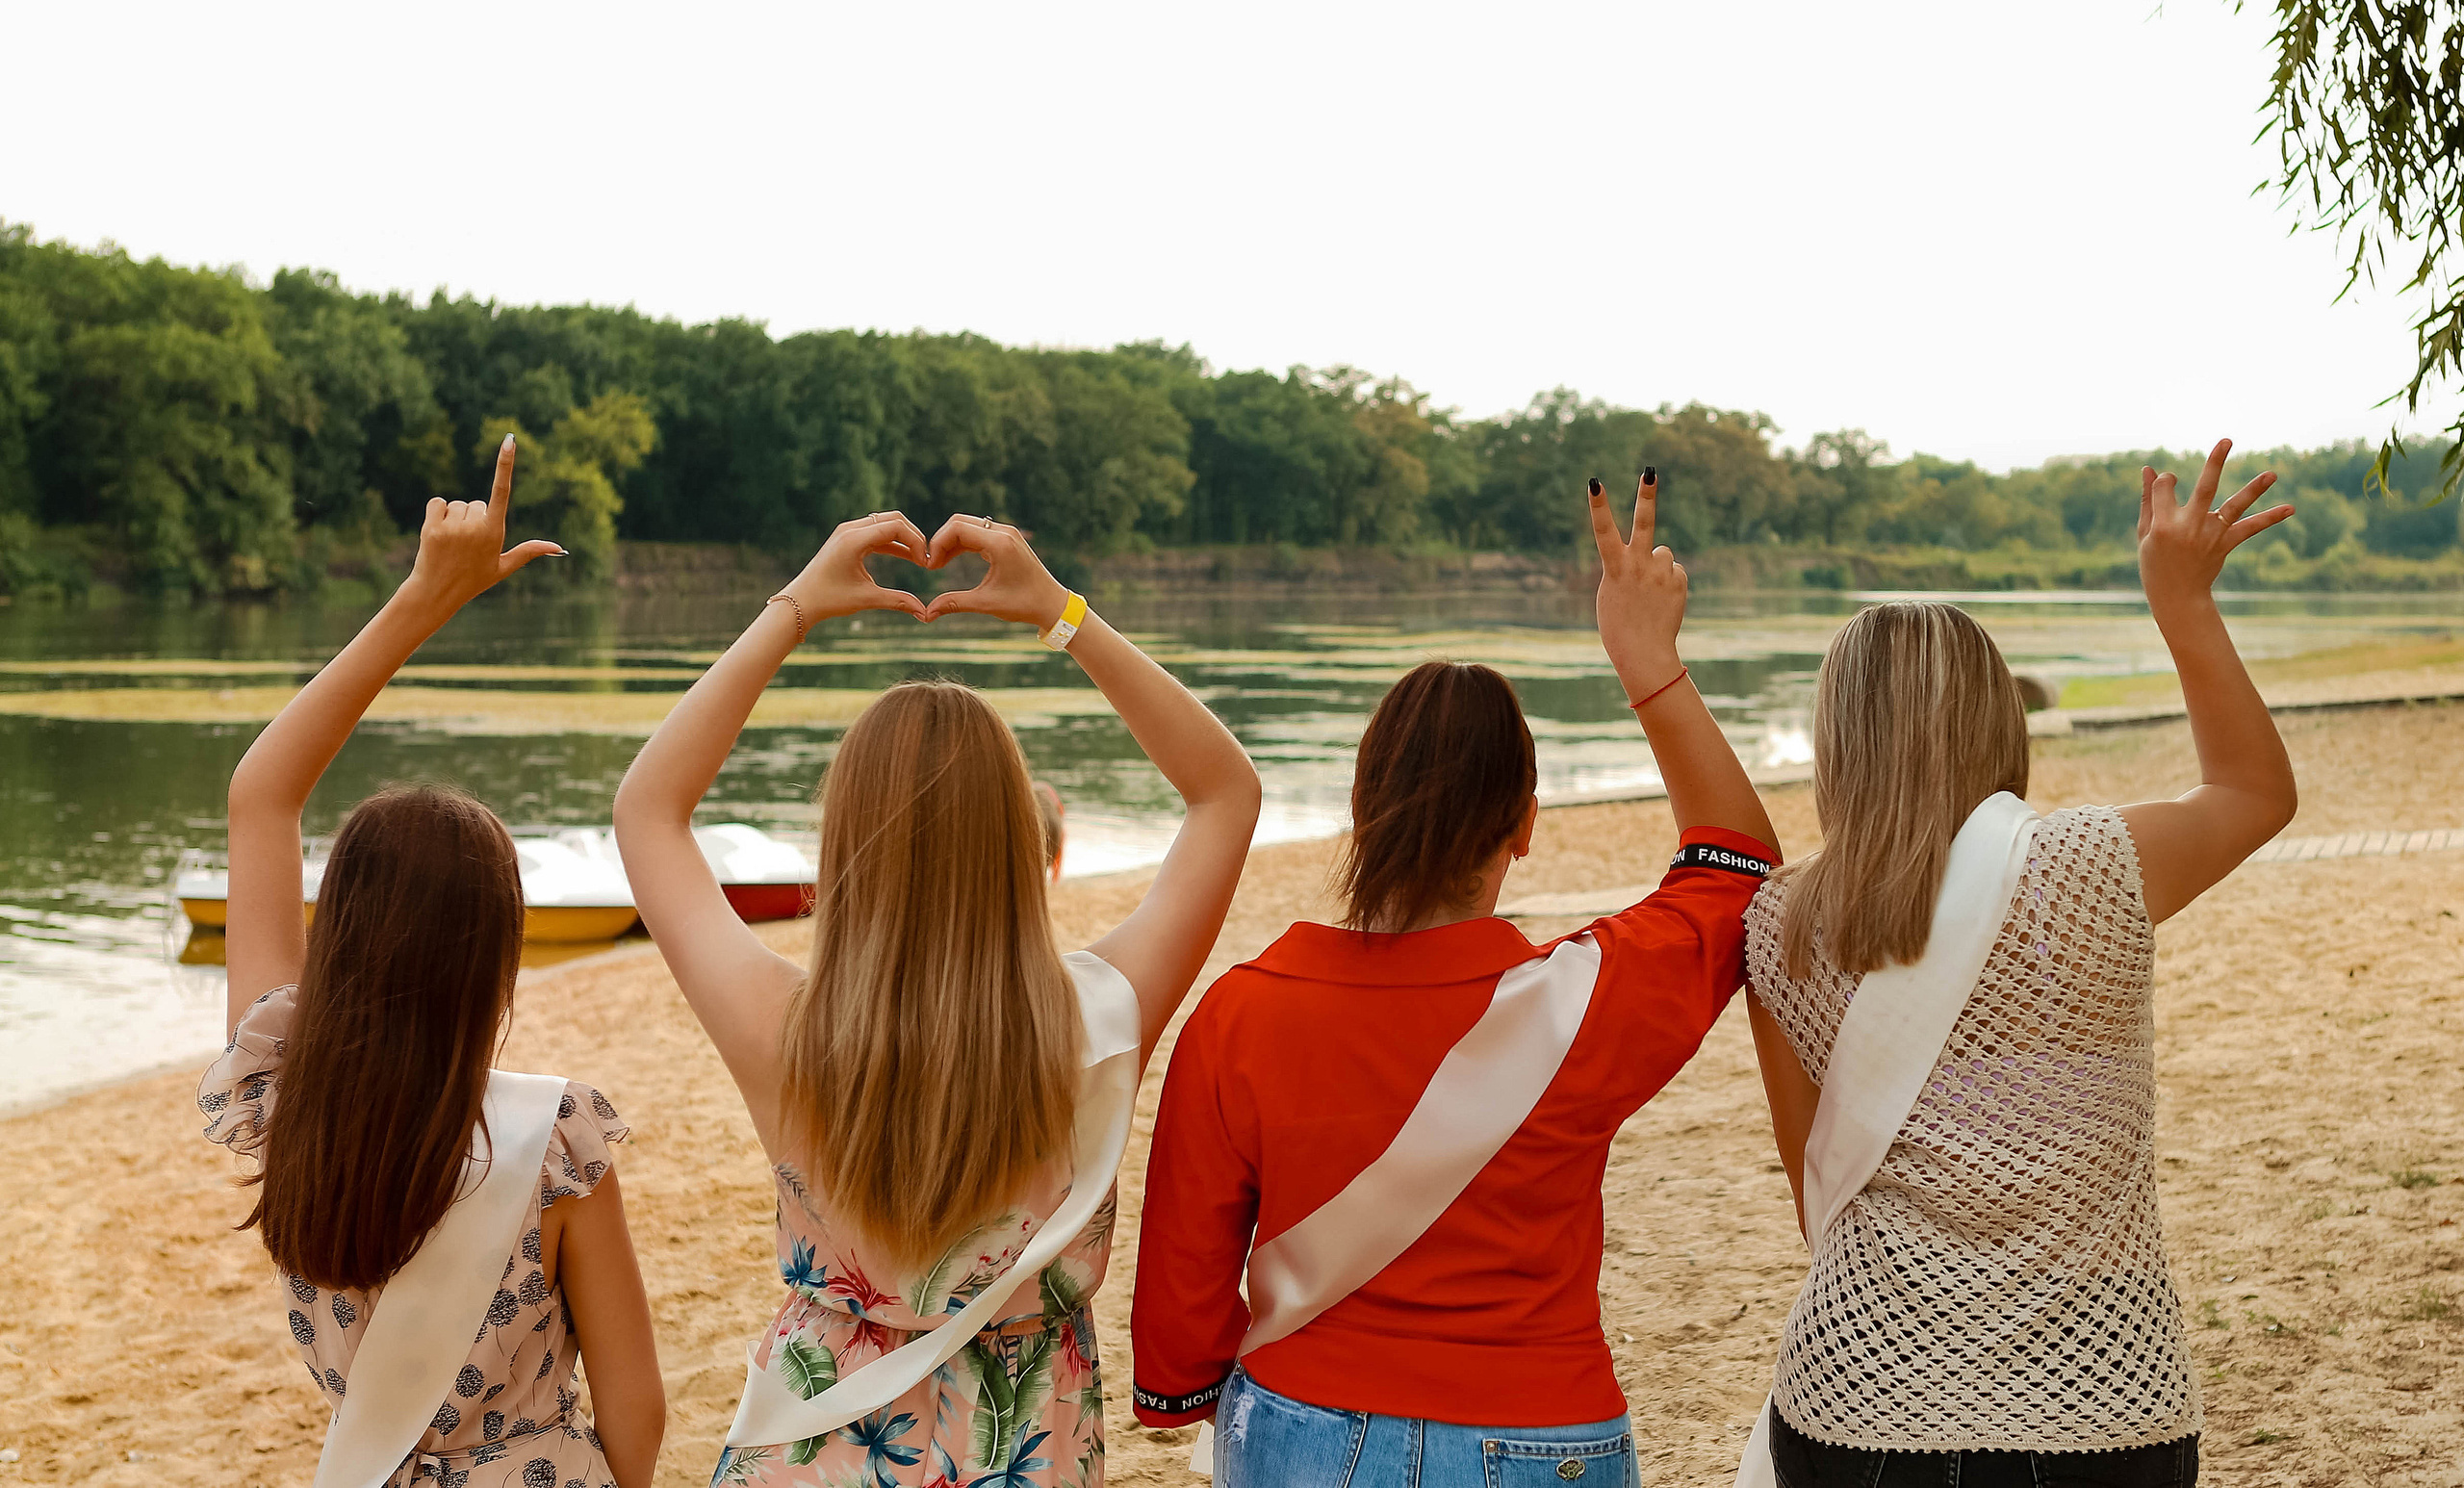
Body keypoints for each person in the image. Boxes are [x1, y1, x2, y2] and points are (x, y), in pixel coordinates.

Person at [1131, 471, 1782, 1488]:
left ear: (1361, 808)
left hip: (1302, 1421)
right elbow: (1734, 862)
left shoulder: (1242, 1009)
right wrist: (1646, 662)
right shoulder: (1585, 999)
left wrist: (1177, 1388)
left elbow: (1184, 1277)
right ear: (1523, 826)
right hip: (1536, 1432)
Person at [613, 510, 1261, 1486]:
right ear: (1018, 843)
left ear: (844, 844)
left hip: (815, 1445)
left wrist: (794, 610)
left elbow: (647, 810)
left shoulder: (785, 1032)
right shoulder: (1097, 1016)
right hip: (1027, 1449)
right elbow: (1225, 792)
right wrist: (1062, 612)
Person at [1739, 440, 2298, 1487]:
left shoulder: (1779, 925)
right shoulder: (2088, 868)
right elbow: (2256, 794)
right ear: (1995, 714)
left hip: (1856, 1397)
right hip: (2099, 1403)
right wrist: (2180, 603)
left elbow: (1814, 1184)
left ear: (1837, 740)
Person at [199, 439, 663, 1488]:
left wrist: (421, 600)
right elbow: (637, 1409)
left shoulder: (283, 1101)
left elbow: (261, 796)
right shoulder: (557, 1142)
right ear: (495, 963)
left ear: (344, 935)